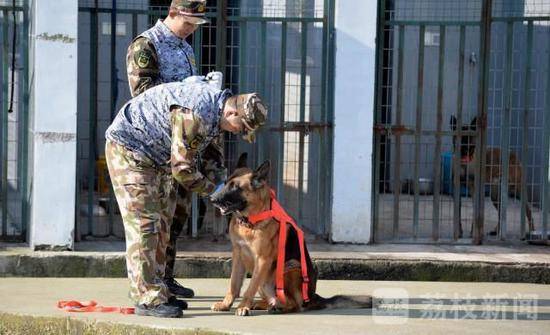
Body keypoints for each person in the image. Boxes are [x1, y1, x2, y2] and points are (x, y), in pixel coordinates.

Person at [105, 77, 267, 318]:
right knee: (145, 225)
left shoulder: (218, 113)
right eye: (241, 127)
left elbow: (212, 160)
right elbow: (182, 169)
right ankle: (147, 297)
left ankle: (159, 289)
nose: (238, 132)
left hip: (156, 158)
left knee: (163, 223)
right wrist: (214, 192)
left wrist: (222, 190)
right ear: (232, 111)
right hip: (130, 151)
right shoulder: (197, 113)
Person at [126, 0, 213, 299]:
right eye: (188, 23)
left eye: (196, 26)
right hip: (156, 145)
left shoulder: (185, 47)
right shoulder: (146, 45)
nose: (191, 30)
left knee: (175, 216)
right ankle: (150, 284)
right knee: (154, 220)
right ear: (172, 13)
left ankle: (166, 276)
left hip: (181, 144)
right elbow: (143, 96)